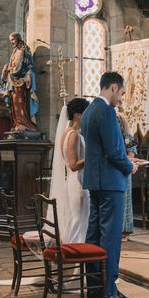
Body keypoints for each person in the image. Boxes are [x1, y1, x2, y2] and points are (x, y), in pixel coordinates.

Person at [82, 72, 139, 298]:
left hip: (95, 183)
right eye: (122, 93)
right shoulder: (105, 111)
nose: (122, 99)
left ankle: (95, 288)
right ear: (114, 87)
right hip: (111, 183)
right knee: (111, 238)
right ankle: (109, 290)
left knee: (93, 236)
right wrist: (130, 166)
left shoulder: (87, 111)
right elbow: (115, 151)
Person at [47, 98, 90, 244]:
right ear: (78, 115)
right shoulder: (74, 135)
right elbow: (73, 164)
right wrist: (93, 157)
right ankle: (74, 252)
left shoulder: (67, 132)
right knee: (78, 220)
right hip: (78, 182)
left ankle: (73, 252)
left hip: (74, 181)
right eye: (87, 112)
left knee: (76, 219)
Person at [2, 32, 38, 132]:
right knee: (14, 102)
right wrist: (7, 69)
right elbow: (12, 66)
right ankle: (16, 122)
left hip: (21, 83)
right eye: (11, 40)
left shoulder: (25, 51)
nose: (12, 42)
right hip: (12, 82)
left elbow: (29, 67)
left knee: (20, 102)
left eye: (13, 40)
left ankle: (24, 122)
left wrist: (27, 77)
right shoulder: (14, 52)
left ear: (18, 38)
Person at [117, 111, 138, 242]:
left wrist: (120, 158)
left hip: (125, 171)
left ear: (123, 123)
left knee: (125, 201)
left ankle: (125, 231)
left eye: (118, 122)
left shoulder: (129, 138)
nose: (117, 124)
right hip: (115, 170)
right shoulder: (112, 136)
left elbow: (131, 156)